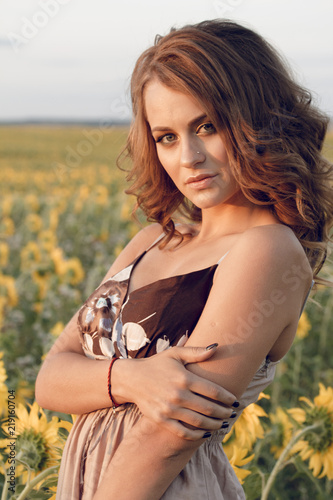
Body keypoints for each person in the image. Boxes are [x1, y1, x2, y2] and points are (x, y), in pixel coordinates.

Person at [35, 19, 333, 500]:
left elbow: (168, 439)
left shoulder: (268, 249)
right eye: (166, 136)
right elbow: (49, 381)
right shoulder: (152, 241)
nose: (188, 157)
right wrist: (132, 378)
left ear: (257, 121)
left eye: (207, 126)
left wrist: (103, 383)